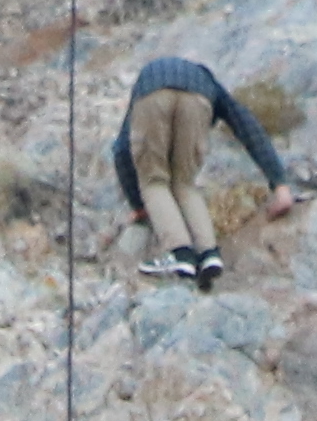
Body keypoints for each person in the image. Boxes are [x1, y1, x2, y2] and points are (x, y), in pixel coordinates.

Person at [110, 50, 294, 282]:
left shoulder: (147, 83)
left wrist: (139, 205)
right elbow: (248, 129)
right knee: (184, 182)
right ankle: (209, 253)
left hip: (152, 93)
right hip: (200, 98)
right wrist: (279, 184)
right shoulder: (210, 84)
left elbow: (122, 149)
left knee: (154, 181)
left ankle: (181, 254)